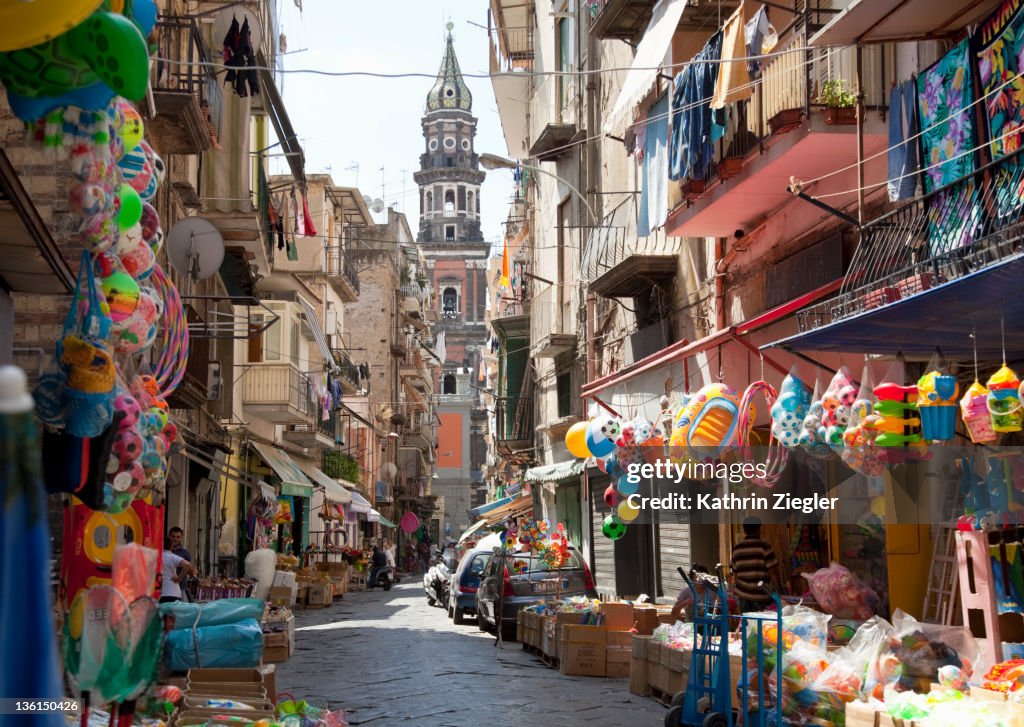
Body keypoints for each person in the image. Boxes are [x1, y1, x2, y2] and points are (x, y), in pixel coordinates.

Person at [730, 517, 782, 612]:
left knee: (746, 621)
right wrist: (780, 593)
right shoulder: (765, 547)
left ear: (745, 530)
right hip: (761, 597)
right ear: (758, 529)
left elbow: (735, 574)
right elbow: (773, 573)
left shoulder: (737, 549)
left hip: (743, 596)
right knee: (762, 621)